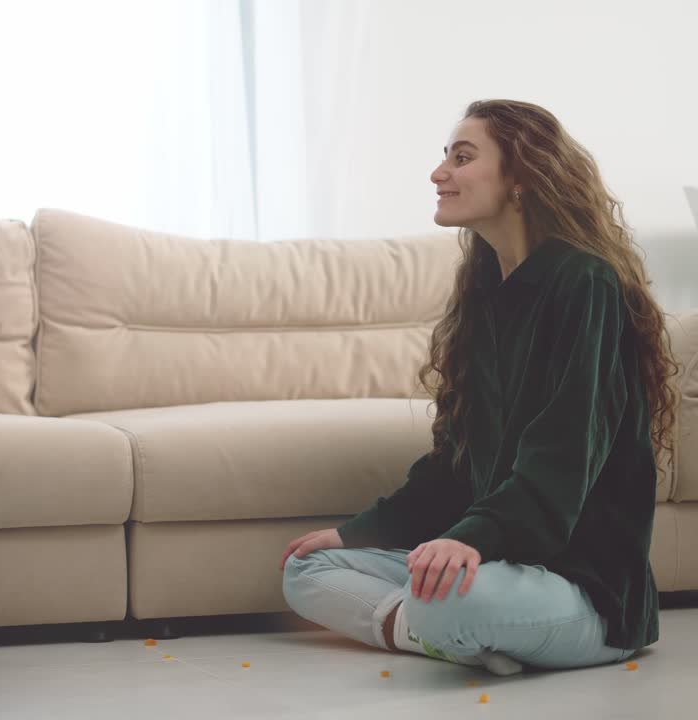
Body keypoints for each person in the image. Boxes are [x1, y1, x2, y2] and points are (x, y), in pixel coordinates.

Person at [281, 100, 677, 675]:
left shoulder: (583, 282)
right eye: (445, 157)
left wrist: (472, 540)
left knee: (447, 601)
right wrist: (355, 534)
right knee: (306, 570)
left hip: (583, 591)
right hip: (499, 564)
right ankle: (450, 639)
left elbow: (561, 458)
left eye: (462, 158)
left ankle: (442, 630)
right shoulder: (484, 290)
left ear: (521, 176)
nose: (439, 173)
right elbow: (455, 465)